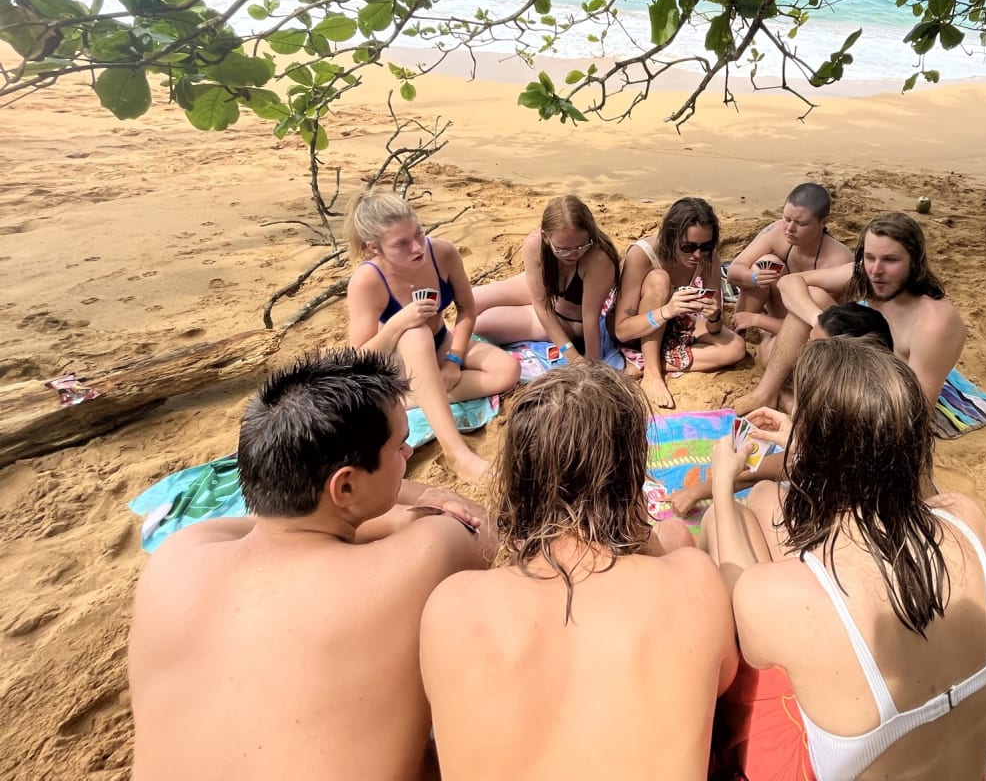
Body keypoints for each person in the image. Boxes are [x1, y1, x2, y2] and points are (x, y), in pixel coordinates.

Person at [129, 348, 491, 781]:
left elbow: (281, 522)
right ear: (346, 485)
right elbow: (481, 528)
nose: (410, 450)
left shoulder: (180, 553)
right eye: (399, 446)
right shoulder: (432, 550)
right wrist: (413, 497)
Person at [421, 361, 739, 780]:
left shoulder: (451, 604)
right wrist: (650, 536)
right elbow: (721, 684)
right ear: (632, 478)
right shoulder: (693, 581)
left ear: (517, 479)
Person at [705, 337, 986, 781]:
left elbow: (742, 619)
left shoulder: (774, 595)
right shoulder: (967, 520)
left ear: (818, 449)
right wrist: (805, 440)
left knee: (724, 519)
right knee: (769, 499)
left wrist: (722, 487)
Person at [345, 191, 521, 481]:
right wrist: (396, 323)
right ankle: (456, 452)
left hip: (440, 342)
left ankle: (411, 397)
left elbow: (467, 310)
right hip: (395, 362)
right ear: (374, 247)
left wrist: (453, 360)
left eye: (419, 233)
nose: (417, 248)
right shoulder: (367, 281)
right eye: (401, 244)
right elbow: (360, 358)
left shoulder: (442, 253)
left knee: (508, 369)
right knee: (415, 334)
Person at [665, 303, 895, 517]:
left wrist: (720, 485)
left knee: (761, 496)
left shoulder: (852, 428)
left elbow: (788, 467)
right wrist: (697, 491)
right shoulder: (842, 407)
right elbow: (787, 463)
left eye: (817, 348)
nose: (804, 352)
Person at [733, 211, 966, 416]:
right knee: (807, 300)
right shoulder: (866, 274)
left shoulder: (933, 323)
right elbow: (789, 282)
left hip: (883, 394)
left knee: (773, 353)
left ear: (914, 262)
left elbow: (917, 410)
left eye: (890, 260)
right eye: (870, 258)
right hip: (853, 364)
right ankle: (766, 392)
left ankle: (789, 402)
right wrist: (819, 321)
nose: (876, 270)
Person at [614, 196, 746, 408]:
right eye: (688, 247)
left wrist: (714, 316)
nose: (697, 255)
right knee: (660, 280)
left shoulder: (707, 257)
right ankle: (652, 373)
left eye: (706, 245)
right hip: (640, 326)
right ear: (670, 237)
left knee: (736, 348)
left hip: (676, 324)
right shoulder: (643, 255)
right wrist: (666, 311)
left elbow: (714, 328)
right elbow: (622, 330)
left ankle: (654, 363)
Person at [472, 195, 621, 361]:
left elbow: (590, 318)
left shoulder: (599, 259)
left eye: (581, 246)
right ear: (545, 237)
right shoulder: (535, 244)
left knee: (481, 324)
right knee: (473, 300)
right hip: (547, 295)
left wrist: (582, 357)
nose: (573, 254)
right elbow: (542, 305)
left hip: (566, 317)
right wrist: (571, 355)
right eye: (563, 249)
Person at [727, 183, 853, 343]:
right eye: (787, 218)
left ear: (824, 222)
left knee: (814, 293)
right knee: (766, 264)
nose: (790, 228)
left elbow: (823, 330)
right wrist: (753, 277)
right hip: (777, 314)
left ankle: (764, 335)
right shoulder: (777, 231)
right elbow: (734, 271)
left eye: (801, 224)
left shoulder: (839, 260)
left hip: (809, 331)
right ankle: (736, 334)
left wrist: (757, 321)